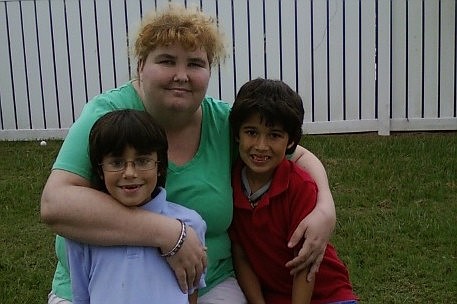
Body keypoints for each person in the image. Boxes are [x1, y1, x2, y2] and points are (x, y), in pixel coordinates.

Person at [41, 4, 336, 304]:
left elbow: (296, 155)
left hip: (208, 284)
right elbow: (56, 204)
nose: (181, 75)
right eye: (167, 61)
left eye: (195, 63)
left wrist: (325, 207)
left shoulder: (224, 123)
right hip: (101, 286)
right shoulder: (108, 115)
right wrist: (170, 235)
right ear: (141, 65)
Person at [229, 78, 358, 304]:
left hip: (327, 293)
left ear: (290, 141)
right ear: (237, 134)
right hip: (274, 296)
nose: (261, 145)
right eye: (251, 132)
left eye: (274, 135)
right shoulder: (229, 183)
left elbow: (305, 260)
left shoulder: (300, 186)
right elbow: (240, 255)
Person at [65, 109, 206, 304]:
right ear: (100, 170)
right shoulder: (83, 231)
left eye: (142, 161)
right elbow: (82, 298)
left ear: (160, 166)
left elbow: (191, 291)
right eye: (116, 162)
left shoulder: (190, 224)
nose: (130, 172)